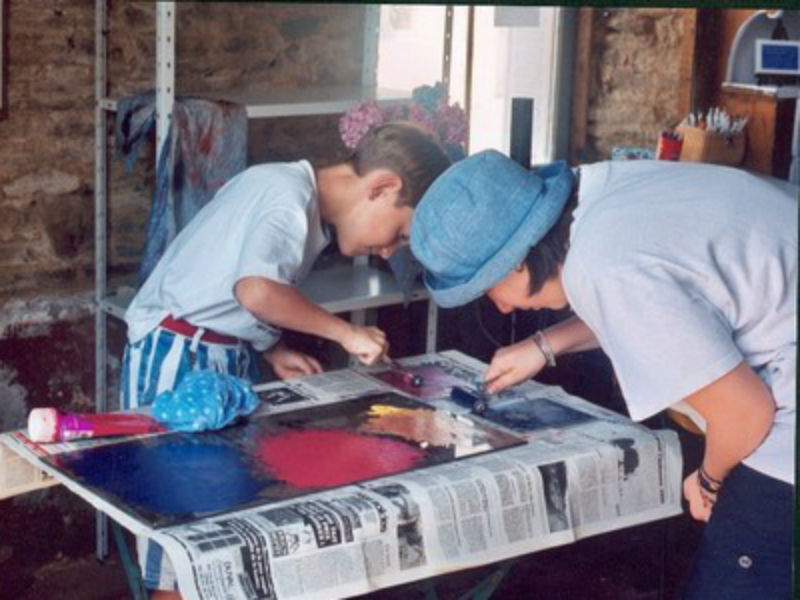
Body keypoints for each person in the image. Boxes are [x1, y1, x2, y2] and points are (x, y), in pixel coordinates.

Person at [410, 149, 796, 599]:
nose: (501, 306)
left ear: (514, 260)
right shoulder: (600, 192)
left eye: (487, 287)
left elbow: (745, 414)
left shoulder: (606, 267)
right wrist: (544, 345)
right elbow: (665, 293)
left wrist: (708, 480)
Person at [121, 121, 450, 598]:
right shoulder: (287, 196)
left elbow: (224, 283)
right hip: (179, 356)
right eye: (400, 232)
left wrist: (272, 348)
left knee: (216, 533)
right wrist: (346, 332)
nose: (390, 250)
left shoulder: (295, 198)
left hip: (212, 352)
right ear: (382, 187)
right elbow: (255, 290)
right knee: (184, 539)